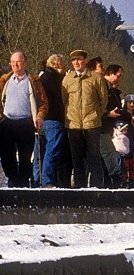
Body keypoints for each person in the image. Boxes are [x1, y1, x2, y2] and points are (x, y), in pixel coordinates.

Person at [0, 51, 48, 188]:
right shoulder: (5, 80)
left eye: (19, 61)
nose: (16, 65)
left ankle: (23, 182)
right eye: (13, 62)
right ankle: (12, 179)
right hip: (7, 123)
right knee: (6, 154)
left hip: (25, 122)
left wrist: (40, 117)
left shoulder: (33, 81)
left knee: (25, 156)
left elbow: (44, 103)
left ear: (25, 63)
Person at [62, 49, 108, 188]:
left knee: (94, 157)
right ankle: (79, 187)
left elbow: (103, 100)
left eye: (79, 59)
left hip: (92, 123)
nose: (76, 62)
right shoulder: (67, 79)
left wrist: (95, 114)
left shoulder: (96, 78)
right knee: (77, 159)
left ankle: (97, 187)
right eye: (73, 60)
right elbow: (65, 101)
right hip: (73, 124)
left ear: (86, 60)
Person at [37, 54, 67, 187]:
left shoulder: (42, 78)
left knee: (41, 152)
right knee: (52, 151)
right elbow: (62, 97)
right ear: (57, 65)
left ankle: (37, 179)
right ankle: (47, 181)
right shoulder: (55, 79)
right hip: (54, 118)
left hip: (42, 119)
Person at [97, 63, 126, 188]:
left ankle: (109, 181)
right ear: (111, 73)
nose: (119, 79)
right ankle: (114, 179)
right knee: (108, 153)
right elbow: (97, 105)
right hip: (102, 127)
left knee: (107, 154)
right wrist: (108, 114)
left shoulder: (112, 89)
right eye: (118, 76)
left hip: (107, 127)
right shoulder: (102, 86)